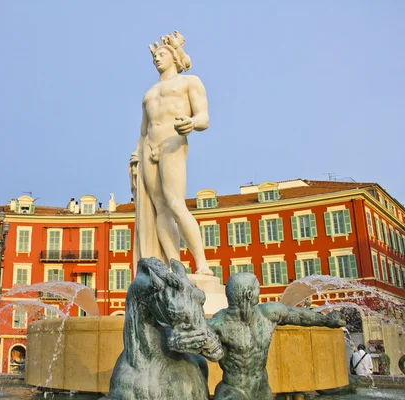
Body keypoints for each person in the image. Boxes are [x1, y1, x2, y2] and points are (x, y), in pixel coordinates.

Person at [130, 31, 212, 275]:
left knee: (176, 204)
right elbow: (143, 130)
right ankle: (175, 268)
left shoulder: (190, 82)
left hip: (172, 140)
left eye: (162, 54)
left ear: (175, 58)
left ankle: (203, 265)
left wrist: (192, 122)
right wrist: (136, 154)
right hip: (149, 147)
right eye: (154, 55)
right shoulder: (149, 93)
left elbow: (204, 117)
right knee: (160, 209)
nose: (157, 58)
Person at [188, 273, 345, 400]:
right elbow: (191, 339)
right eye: (257, 287)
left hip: (262, 390)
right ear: (249, 294)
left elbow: (300, 316)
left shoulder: (269, 314)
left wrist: (327, 321)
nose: (260, 290)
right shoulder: (219, 324)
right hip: (233, 391)